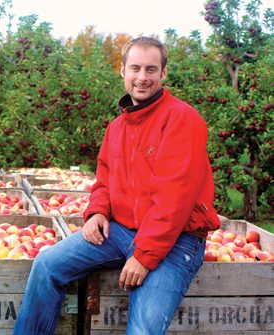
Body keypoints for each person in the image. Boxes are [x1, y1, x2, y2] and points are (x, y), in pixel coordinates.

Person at [13, 36, 220, 334]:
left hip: (177, 239)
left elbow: (174, 200)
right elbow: (105, 179)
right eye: (135, 68)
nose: (142, 77)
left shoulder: (182, 120)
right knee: (46, 264)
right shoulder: (117, 127)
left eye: (151, 69)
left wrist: (144, 256)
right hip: (122, 230)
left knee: (143, 330)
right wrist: (97, 211)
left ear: (163, 74)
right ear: (122, 70)